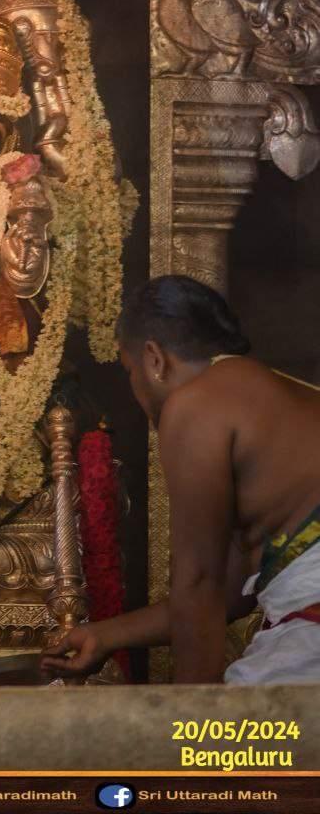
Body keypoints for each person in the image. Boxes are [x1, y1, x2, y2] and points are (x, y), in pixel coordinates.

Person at [43, 274, 320, 685]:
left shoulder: (194, 405)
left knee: (232, 748)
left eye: (129, 370)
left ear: (154, 359)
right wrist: (105, 636)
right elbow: (229, 593)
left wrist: (192, 728)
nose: (135, 391)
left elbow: (199, 584)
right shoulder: (291, 393)